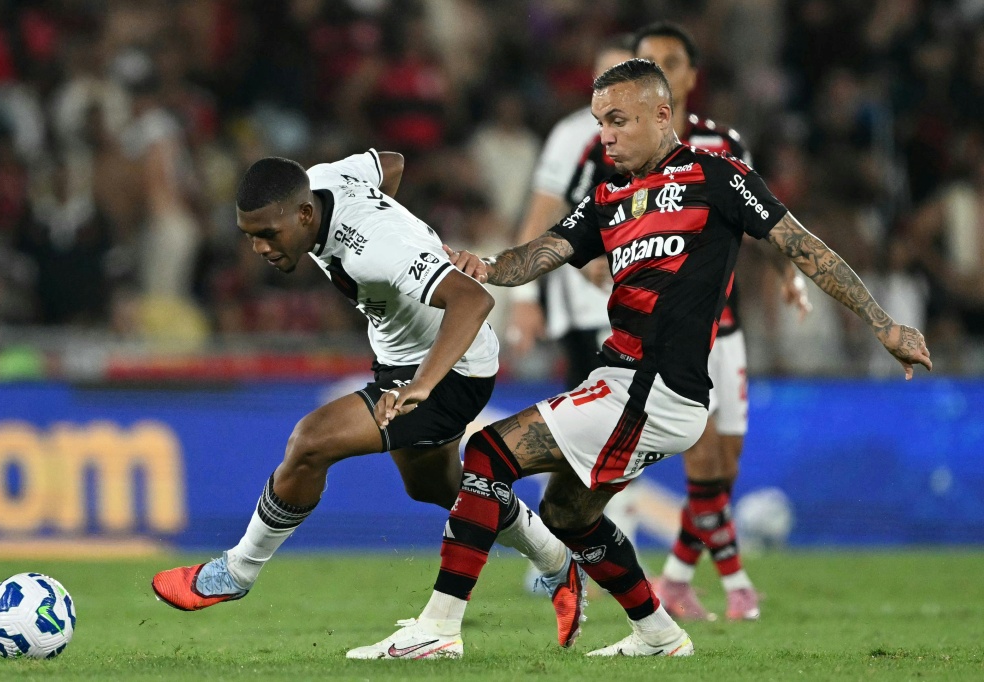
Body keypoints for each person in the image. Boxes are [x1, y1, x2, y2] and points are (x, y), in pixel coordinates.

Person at [347, 59, 931, 659]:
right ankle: (659, 634)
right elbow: (544, 252)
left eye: (620, 120)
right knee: (567, 514)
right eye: (601, 122)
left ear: (661, 114)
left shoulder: (719, 178)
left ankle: (439, 628)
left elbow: (803, 247)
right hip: (624, 380)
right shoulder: (607, 197)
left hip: (652, 387)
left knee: (488, 454)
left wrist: (883, 323)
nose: (608, 135)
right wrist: (488, 267)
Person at [151, 149, 588, 649]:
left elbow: (473, 298)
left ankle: (238, 569)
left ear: (305, 214)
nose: (258, 247)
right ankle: (558, 562)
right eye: (249, 234)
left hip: (450, 368)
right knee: (437, 488)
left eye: (268, 234)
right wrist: (420, 246)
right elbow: (394, 162)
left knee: (310, 442)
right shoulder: (323, 181)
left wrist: (420, 380)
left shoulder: (375, 249)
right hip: (404, 360)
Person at [627, 21, 809, 622]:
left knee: (723, 470)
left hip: (726, 328)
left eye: (671, 62)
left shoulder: (723, 145)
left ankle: (675, 580)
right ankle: (737, 583)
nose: (661, 71)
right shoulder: (620, 154)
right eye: (647, 61)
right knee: (703, 465)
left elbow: (763, 218)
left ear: (691, 76)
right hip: (672, 334)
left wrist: (788, 272)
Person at [505, 34, 634, 388]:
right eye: (603, 75)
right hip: (591, 308)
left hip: (648, 306)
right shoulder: (576, 135)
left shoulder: (665, 137)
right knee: (599, 423)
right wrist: (525, 296)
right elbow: (543, 214)